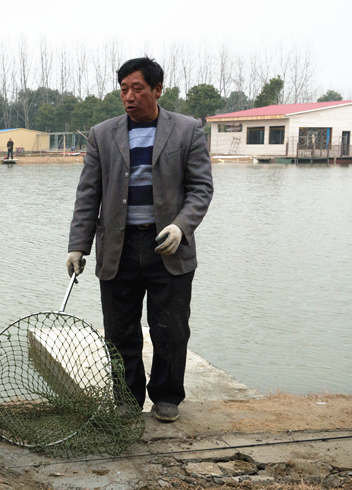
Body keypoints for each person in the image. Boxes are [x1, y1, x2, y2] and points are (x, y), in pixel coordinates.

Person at [66, 57, 213, 423]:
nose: (129, 97)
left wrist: (181, 226)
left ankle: (166, 395)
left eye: (137, 89)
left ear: (157, 90)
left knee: (171, 329)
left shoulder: (187, 130)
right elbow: (88, 195)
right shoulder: (102, 134)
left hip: (170, 247)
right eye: (123, 90)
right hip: (119, 248)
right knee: (119, 331)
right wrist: (77, 246)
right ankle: (126, 399)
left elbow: (201, 189)